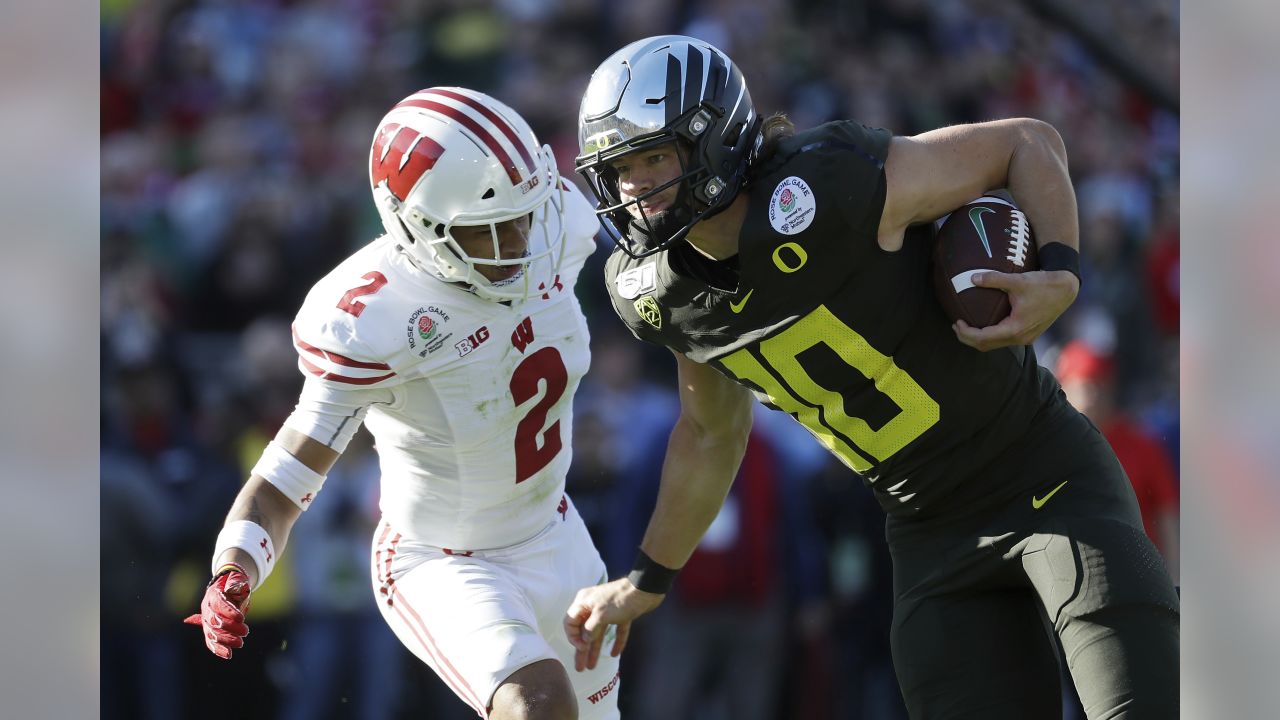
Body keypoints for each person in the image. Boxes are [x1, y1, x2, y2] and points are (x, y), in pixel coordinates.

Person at [562, 35, 1179, 719]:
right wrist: (648, 580)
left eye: (653, 158)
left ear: (716, 143)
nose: (635, 188)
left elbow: (1025, 143)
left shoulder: (829, 184)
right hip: (928, 530)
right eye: (620, 169)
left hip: (1044, 477)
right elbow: (709, 434)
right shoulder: (659, 291)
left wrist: (1061, 269)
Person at [185, 86, 621, 720]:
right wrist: (235, 569)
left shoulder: (560, 222)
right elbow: (286, 476)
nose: (519, 240)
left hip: (557, 533)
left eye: (523, 215)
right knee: (539, 706)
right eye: (488, 230)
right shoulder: (375, 316)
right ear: (416, 225)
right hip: (441, 558)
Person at [1055, 339, 1180, 582]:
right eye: (1085, 386)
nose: (1094, 397)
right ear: (1064, 391)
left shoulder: (1142, 444)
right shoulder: (1051, 448)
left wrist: (1175, 578)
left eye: (1101, 385)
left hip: (1142, 575)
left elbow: (1167, 514)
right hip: (1078, 577)